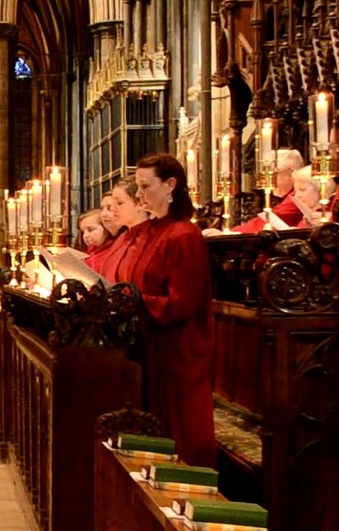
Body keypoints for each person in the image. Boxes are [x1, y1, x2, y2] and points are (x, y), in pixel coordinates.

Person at [116, 154, 215, 467]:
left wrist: (134, 300)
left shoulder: (184, 235)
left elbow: (181, 302)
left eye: (145, 186)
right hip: (151, 345)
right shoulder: (150, 232)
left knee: (180, 431)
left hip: (177, 351)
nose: (140, 194)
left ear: (170, 184)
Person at [86, 180, 148, 282]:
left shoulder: (152, 237)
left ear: (139, 204)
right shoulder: (122, 238)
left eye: (119, 203)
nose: (114, 209)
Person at [233, 148, 305, 233]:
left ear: (292, 172)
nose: (270, 182)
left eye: (274, 175)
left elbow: (269, 220)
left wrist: (230, 233)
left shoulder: (300, 194)